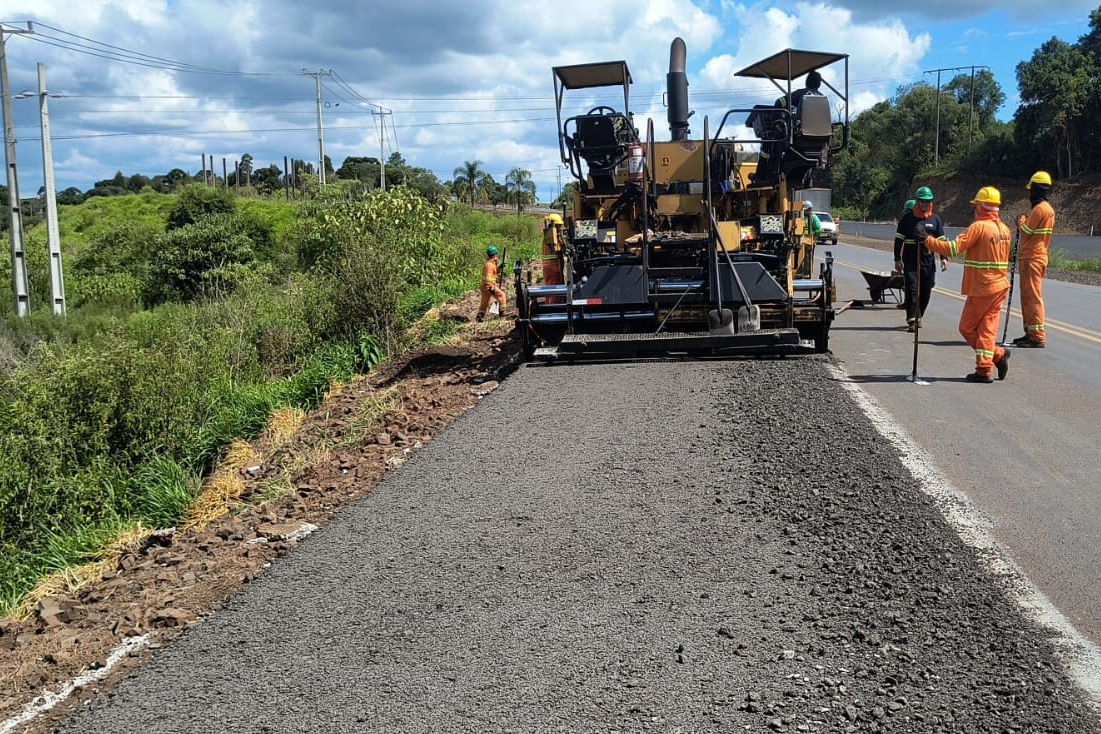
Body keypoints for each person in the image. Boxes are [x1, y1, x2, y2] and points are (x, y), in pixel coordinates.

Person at [915, 186, 1012, 383]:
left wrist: (927, 240)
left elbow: (952, 249)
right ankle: (988, 365)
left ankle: (994, 358)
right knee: (987, 329)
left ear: (981, 207)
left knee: (967, 328)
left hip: (983, 288)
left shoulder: (979, 227)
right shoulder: (1004, 230)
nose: (974, 209)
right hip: (999, 286)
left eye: (976, 205)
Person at [894, 186, 948, 331]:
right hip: (911, 259)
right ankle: (913, 320)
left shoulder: (935, 219)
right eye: (922, 201)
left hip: (928, 260)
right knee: (912, 289)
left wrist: (944, 258)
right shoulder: (907, 219)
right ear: (917, 202)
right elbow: (898, 240)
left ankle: (919, 315)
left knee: (926, 289)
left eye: (928, 201)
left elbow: (941, 240)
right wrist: (897, 259)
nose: (925, 204)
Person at [1011, 171, 1055, 348]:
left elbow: (1026, 231)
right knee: (1027, 297)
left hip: (1033, 258)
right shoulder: (1047, 210)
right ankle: (1030, 332)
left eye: (1032, 190)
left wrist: (1021, 220)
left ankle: (1037, 336)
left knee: (1033, 297)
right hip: (1033, 257)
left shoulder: (1040, 209)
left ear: (1037, 189)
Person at [476, 245, 507, 322]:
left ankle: (480, 316)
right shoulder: (489, 265)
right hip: (488, 285)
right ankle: (502, 312)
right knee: (502, 295)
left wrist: (499, 267)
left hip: (485, 286)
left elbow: (495, 271)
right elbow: (488, 277)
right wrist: (491, 287)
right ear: (495, 254)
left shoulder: (490, 263)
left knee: (485, 301)